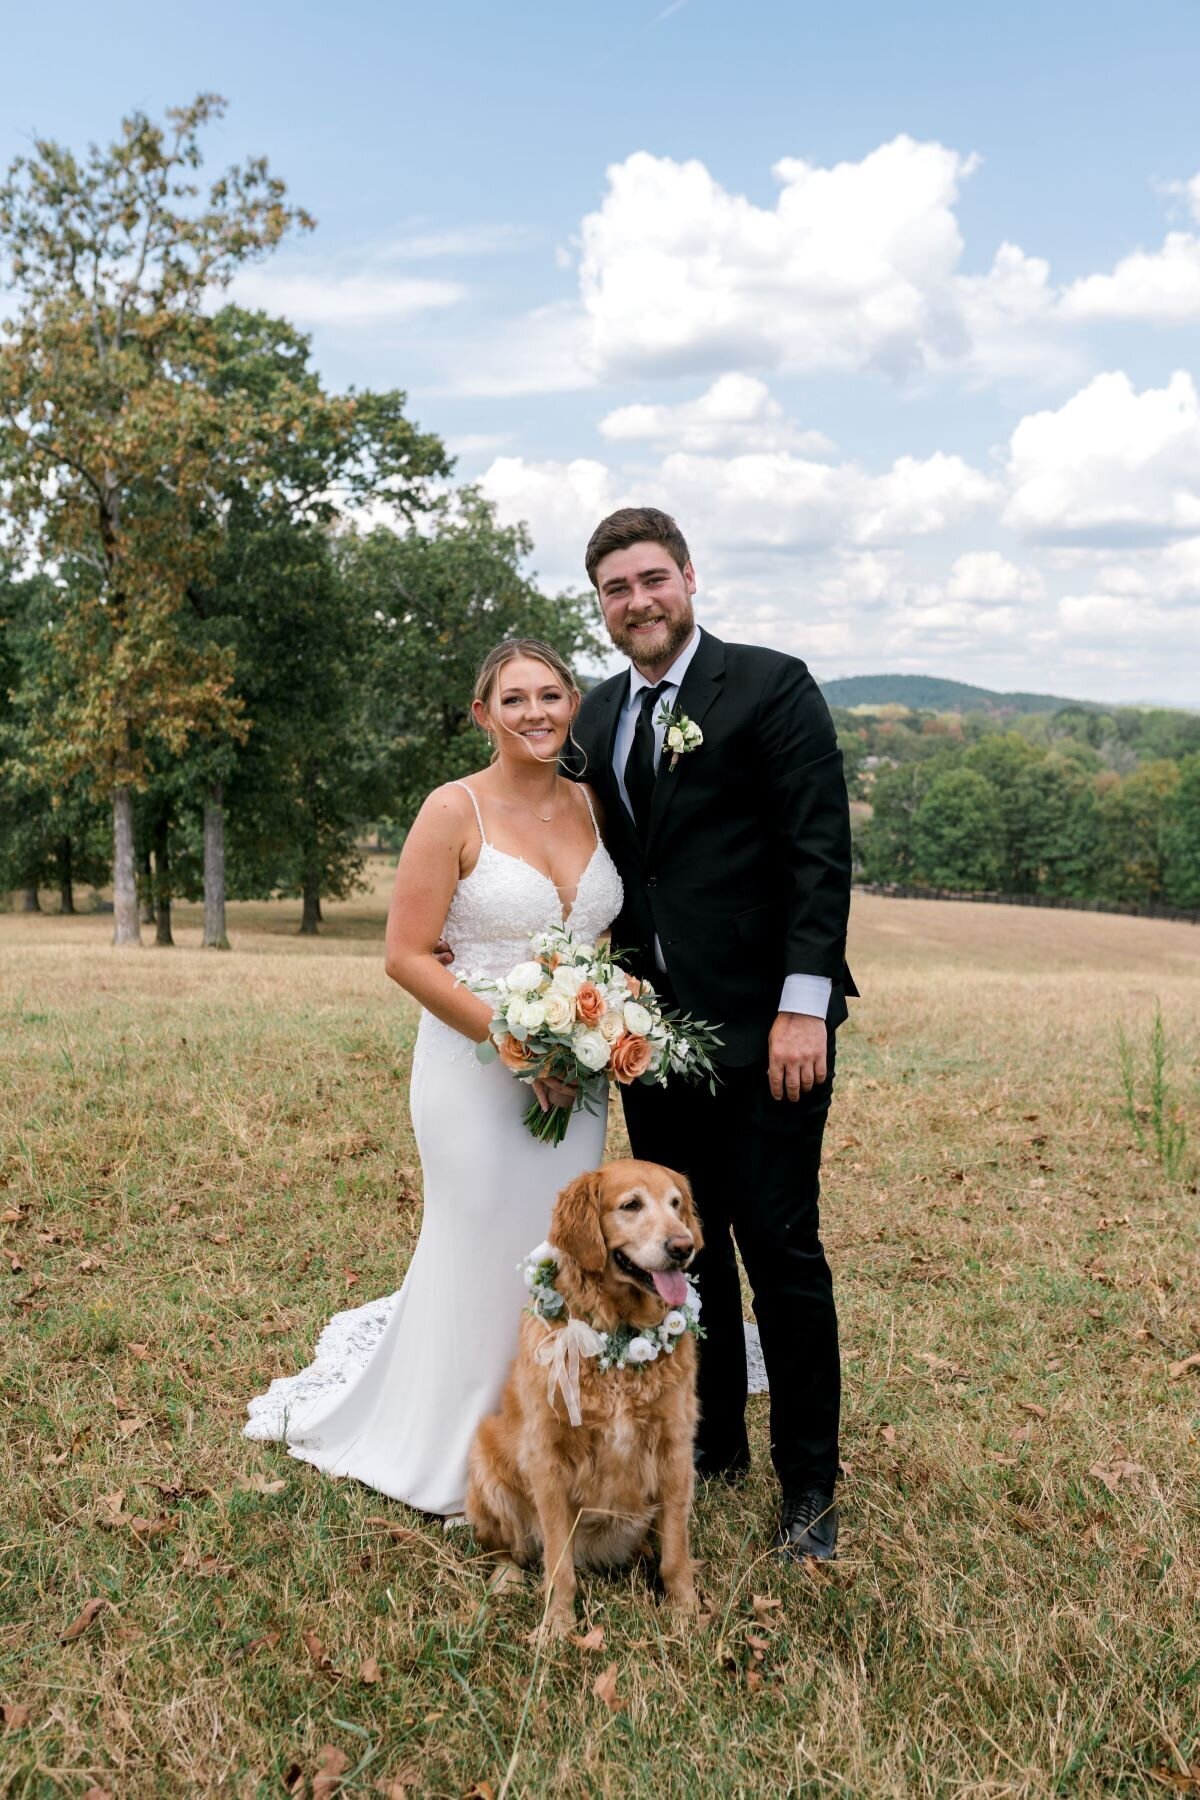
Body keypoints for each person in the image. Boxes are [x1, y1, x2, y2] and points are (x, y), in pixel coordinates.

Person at [245, 640, 622, 1516]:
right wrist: (518, 1044)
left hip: (582, 1072)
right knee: (482, 1240)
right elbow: (406, 956)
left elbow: (600, 939)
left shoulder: (599, 807)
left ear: (574, 704)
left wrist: (593, 1029)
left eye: (552, 695)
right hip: (473, 1066)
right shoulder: (453, 811)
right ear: (482, 713)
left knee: (562, 1251)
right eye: (514, 698)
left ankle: (552, 1439)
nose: (536, 712)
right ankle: (463, 1454)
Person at [569, 507, 855, 1561]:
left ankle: (810, 1488)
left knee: (780, 1247)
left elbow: (820, 854)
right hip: (653, 1042)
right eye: (615, 589)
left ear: (689, 578)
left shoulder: (771, 686)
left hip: (769, 1033)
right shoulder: (595, 716)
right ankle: (720, 1443)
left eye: (652, 579)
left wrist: (802, 1003)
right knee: (686, 1253)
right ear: (599, 606)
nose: (637, 601)